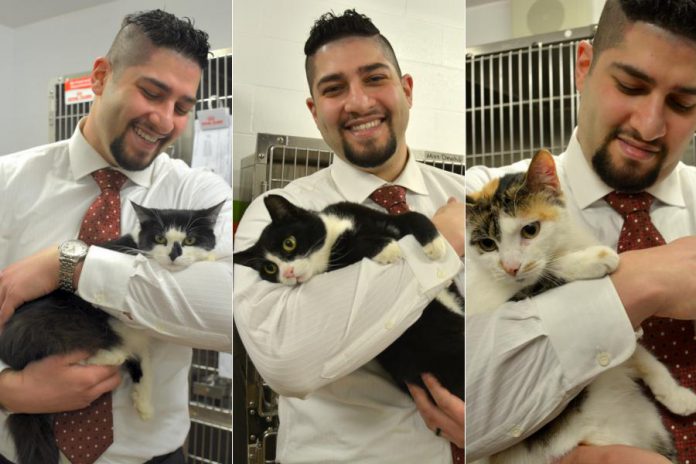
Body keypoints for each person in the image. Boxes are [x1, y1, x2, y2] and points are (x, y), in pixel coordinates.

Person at [466, 0, 696, 462]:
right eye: (630, 86)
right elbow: (464, 412)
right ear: (583, 66)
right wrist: (639, 283)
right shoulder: (481, 200)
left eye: (682, 102)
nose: (649, 126)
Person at [0, 10, 232, 464]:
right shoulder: (7, 183)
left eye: (183, 107)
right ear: (101, 77)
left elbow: (231, 314)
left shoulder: (198, 193)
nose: (165, 121)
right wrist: (9, 390)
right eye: (152, 92)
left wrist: (70, 263)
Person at [234, 9, 464, 464]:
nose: (358, 103)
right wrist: (437, 246)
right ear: (314, 110)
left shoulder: (466, 197)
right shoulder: (275, 222)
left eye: (375, 79)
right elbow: (286, 362)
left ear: (408, 90)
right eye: (334, 89)